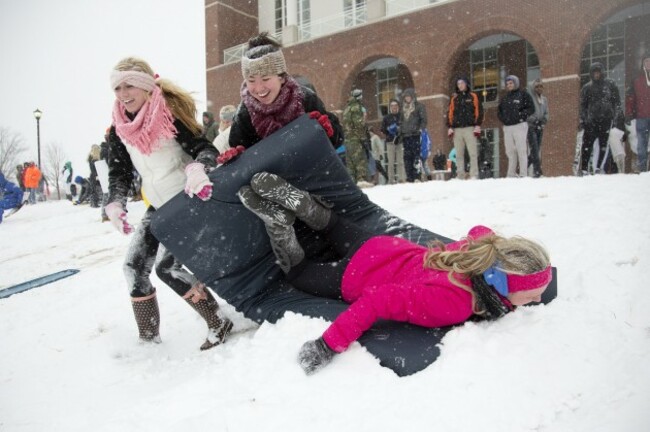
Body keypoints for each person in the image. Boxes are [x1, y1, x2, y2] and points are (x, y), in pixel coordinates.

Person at [236, 172, 552, 374]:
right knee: (297, 273)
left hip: (384, 247)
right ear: (502, 281)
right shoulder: (454, 303)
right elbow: (378, 301)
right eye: (534, 291)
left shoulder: (474, 255)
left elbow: (480, 232)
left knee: (333, 225)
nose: (539, 296)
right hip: (357, 276)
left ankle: (302, 204)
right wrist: (327, 345)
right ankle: (279, 224)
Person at [106, 56, 232, 349]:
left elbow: (205, 148)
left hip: (189, 197)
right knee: (133, 267)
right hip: (159, 205)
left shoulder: (168, 113)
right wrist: (115, 202)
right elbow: (119, 173)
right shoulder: (118, 129)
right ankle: (148, 339)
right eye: (118, 88)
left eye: (130, 86)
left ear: (147, 86)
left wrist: (200, 167)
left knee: (167, 268)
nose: (123, 94)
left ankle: (218, 321)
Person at [228, 32, 343, 153]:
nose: (259, 88)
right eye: (251, 81)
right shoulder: (244, 115)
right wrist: (236, 158)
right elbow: (241, 163)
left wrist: (329, 132)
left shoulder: (305, 99)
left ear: (281, 77)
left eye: (265, 79)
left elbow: (336, 141)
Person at [578, 62, 624, 175]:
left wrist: (616, 117)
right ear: (591, 73)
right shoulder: (587, 88)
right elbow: (583, 106)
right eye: (594, 72)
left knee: (604, 145)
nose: (596, 74)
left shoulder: (610, 85)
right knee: (586, 146)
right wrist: (584, 120)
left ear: (602, 72)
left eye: (598, 72)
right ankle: (584, 169)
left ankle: (599, 167)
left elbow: (617, 102)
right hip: (591, 122)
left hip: (606, 120)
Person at [447, 77, 484, 180]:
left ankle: (474, 174)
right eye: (458, 83)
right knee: (459, 153)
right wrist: (450, 126)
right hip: (457, 129)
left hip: (470, 128)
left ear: (466, 84)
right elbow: (450, 113)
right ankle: (460, 174)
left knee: (472, 152)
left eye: (462, 83)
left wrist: (477, 124)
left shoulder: (473, 96)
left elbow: (479, 111)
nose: (460, 85)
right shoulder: (454, 98)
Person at [497, 75, 535, 177]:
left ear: (516, 83)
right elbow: (499, 112)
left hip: (520, 125)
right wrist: (504, 119)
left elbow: (531, 108)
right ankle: (511, 174)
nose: (509, 85)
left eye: (511, 83)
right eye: (507, 84)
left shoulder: (523, 95)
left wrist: (521, 115)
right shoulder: (504, 98)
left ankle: (523, 174)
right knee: (509, 151)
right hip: (507, 127)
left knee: (521, 150)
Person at [626, 56, 650, 173]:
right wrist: (629, 113)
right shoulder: (637, 79)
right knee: (641, 144)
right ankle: (643, 168)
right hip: (641, 117)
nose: (648, 63)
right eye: (646, 61)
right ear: (643, 64)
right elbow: (630, 97)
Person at [399, 88, 428, 182]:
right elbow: (401, 121)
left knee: (416, 156)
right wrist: (400, 131)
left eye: (409, 96)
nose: (407, 98)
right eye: (406, 97)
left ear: (412, 96)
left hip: (415, 135)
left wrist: (420, 129)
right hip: (405, 136)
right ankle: (409, 177)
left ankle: (417, 176)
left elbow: (424, 119)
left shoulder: (419, 106)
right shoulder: (403, 108)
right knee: (407, 158)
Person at [342, 89, 369, 184]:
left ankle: (352, 182)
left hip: (348, 139)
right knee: (360, 160)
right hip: (356, 139)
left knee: (350, 163)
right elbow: (359, 124)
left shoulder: (347, 108)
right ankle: (361, 180)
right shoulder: (357, 108)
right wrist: (364, 119)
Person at [527, 79, 549, 178]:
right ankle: (537, 172)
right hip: (531, 127)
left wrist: (544, 120)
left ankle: (524, 166)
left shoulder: (544, 100)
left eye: (541, 86)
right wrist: (533, 120)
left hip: (540, 127)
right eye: (537, 87)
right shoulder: (530, 98)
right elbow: (526, 112)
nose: (539, 88)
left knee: (536, 150)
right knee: (535, 149)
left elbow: (546, 113)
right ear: (533, 88)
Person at [381, 99, 405, 184]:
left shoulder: (402, 116)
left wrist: (400, 130)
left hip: (399, 141)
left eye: (395, 106)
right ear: (390, 108)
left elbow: (405, 127)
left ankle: (401, 178)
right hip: (390, 142)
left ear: (398, 107)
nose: (394, 108)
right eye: (392, 106)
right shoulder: (386, 118)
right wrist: (388, 130)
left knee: (400, 161)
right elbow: (382, 129)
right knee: (390, 162)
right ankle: (391, 179)